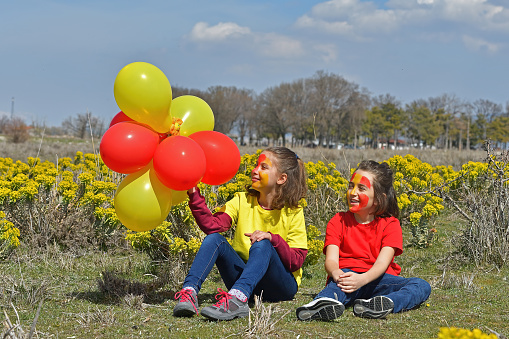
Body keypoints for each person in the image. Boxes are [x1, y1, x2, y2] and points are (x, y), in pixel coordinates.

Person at [173, 147, 308, 321]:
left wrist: (272, 239)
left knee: (263, 243)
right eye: (256, 166)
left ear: (282, 179)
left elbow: (296, 261)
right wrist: (194, 194)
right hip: (245, 282)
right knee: (214, 239)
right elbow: (212, 226)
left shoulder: (293, 212)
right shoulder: (241, 200)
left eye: (263, 167)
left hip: (281, 287)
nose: (255, 170)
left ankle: (236, 301)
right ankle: (189, 293)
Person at [296, 160, 431, 321]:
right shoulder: (337, 221)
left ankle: (383, 304)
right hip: (346, 278)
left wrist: (363, 279)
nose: (352, 192)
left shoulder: (391, 224)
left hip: (378, 280)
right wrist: (336, 273)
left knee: (421, 285)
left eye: (361, 188)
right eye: (351, 186)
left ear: (378, 199)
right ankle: (321, 304)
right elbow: (331, 260)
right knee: (336, 286)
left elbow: (382, 264)